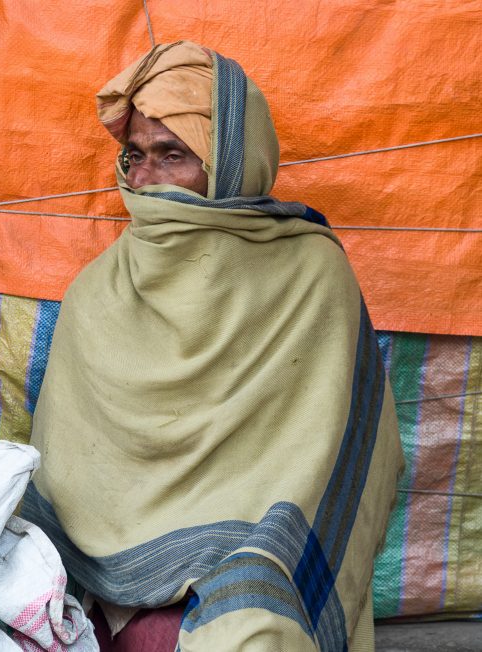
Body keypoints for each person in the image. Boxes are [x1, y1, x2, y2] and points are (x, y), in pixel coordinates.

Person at [23, 40, 404, 651]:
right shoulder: (98, 289)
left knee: (253, 625)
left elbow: (322, 463)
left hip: (245, 556)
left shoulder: (312, 274)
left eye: (172, 155)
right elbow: (69, 482)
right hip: (98, 575)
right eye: (134, 156)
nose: (146, 179)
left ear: (231, 160)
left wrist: (225, 563)